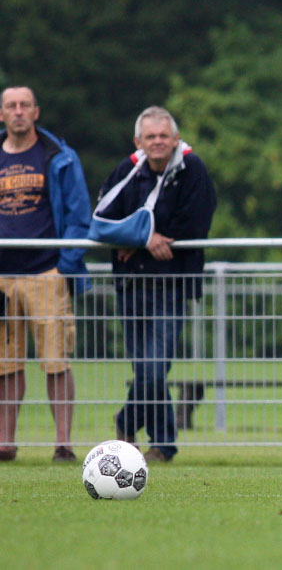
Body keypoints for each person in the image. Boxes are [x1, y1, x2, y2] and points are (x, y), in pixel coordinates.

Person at [94, 106, 216, 463]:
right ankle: (163, 445)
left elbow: (197, 220)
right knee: (147, 366)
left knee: (155, 363)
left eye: (164, 136)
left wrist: (162, 237)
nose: (158, 142)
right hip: (131, 284)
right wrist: (144, 238)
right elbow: (102, 219)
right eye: (151, 137)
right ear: (138, 142)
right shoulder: (127, 170)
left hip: (171, 283)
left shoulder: (193, 170)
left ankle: (126, 421)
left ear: (176, 139)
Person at [0, 85, 91, 463]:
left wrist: (64, 266)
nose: (18, 111)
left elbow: (78, 214)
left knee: (56, 361)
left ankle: (63, 443)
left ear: (36, 112)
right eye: (11, 106)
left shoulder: (59, 157)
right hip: (2, 277)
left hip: (46, 273)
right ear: (2, 114)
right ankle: (5, 443)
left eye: (25, 105)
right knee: (5, 364)